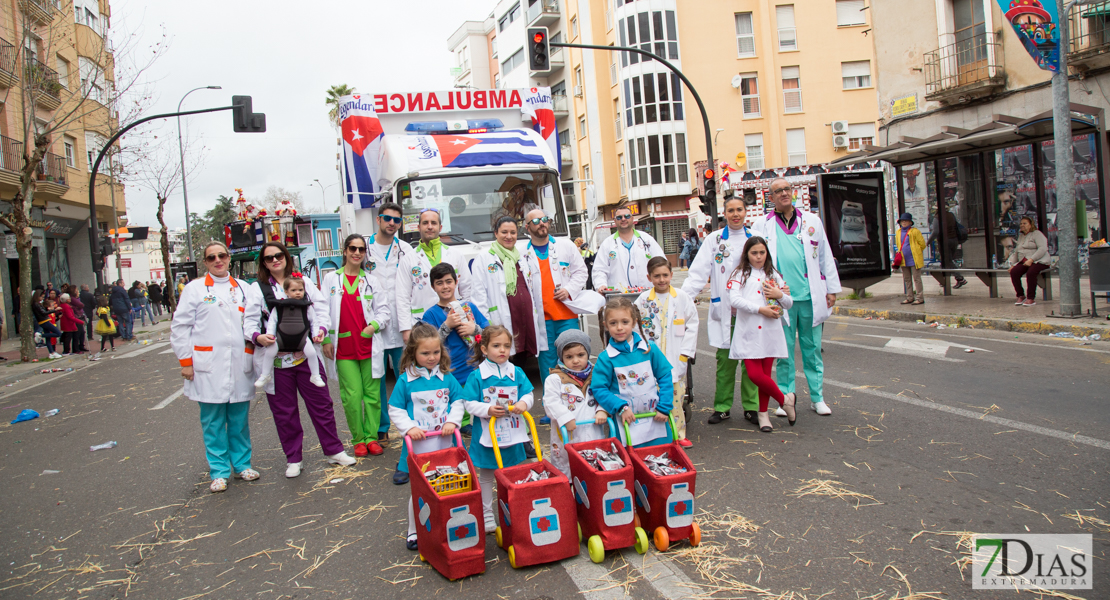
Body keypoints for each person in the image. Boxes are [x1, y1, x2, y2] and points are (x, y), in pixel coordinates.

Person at [246, 241, 354, 478]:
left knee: (322, 404)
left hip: (306, 356)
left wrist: (322, 330)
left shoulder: (302, 282)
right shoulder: (258, 289)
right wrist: (257, 336)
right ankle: (293, 458)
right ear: (263, 263)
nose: (275, 260)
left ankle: (334, 450)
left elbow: (321, 309)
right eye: (268, 258)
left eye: (278, 255)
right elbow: (250, 321)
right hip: (277, 360)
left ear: (286, 256)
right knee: (285, 411)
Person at [170, 241, 259, 494]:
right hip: (207, 367)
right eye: (212, 258)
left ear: (229, 258)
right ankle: (219, 471)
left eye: (222, 255)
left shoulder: (244, 288)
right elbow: (180, 328)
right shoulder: (195, 289)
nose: (218, 260)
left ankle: (242, 465)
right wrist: (186, 362)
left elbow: (254, 322)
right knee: (212, 422)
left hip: (240, 365)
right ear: (206, 262)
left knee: (239, 420)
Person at [752, 178, 842, 417]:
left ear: (793, 193)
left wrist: (831, 290)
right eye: (778, 191)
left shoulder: (811, 221)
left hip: (810, 295)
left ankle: (817, 397)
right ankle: (786, 396)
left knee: (812, 349)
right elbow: (756, 260)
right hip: (780, 298)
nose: (784, 193)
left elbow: (824, 255)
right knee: (784, 351)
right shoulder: (761, 225)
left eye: (787, 189)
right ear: (770, 198)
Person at [387, 321, 466, 551]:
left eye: (435, 352)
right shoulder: (406, 380)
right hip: (419, 446)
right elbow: (396, 408)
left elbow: (458, 401)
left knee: (447, 485)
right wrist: (409, 428)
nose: (431, 357)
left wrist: (452, 420)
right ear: (413, 352)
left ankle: (447, 525)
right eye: (425, 353)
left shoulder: (446, 378)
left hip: (444, 442)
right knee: (420, 491)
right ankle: (414, 530)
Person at [681, 195, 759, 425]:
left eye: (740, 210)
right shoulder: (714, 240)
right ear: (724, 213)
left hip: (752, 309)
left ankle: (752, 407)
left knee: (751, 361)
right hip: (726, 309)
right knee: (725, 361)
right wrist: (682, 300)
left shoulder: (755, 239)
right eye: (731, 210)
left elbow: (767, 269)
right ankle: (722, 406)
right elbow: (698, 272)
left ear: (746, 212)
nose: (736, 214)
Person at [321, 235, 391, 459]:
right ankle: (358, 439)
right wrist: (325, 339)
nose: (357, 253)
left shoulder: (371, 280)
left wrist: (373, 326)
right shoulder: (332, 279)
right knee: (352, 395)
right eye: (353, 248)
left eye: (361, 249)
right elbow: (321, 311)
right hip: (343, 347)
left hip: (368, 345)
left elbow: (384, 311)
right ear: (345, 251)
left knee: (372, 395)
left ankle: (371, 438)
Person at [462, 325, 535, 533]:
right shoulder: (477, 376)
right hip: (488, 434)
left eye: (506, 346)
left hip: (513, 432)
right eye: (496, 346)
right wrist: (487, 409)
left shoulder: (516, 372)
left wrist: (524, 403)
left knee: (512, 473)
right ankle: (486, 515)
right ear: (484, 349)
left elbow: (529, 394)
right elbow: (468, 403)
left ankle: (513, 510)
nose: (502, 350)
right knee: (486, 475)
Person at [726, 236, 797, 432]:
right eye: (754, 253)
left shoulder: (773, 274)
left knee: (766, 374)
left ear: (767, 253)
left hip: (770, 331)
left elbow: (789, 303)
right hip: (748, 331)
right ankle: (785, 400)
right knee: (755, 374)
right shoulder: (740, 274)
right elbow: (735, 300)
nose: (758, 257)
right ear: (746, 254)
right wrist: (760, 309)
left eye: (762, 252)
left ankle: (764, 414)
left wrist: (779, 295)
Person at [520, 208, 589, 394]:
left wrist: (568, 290)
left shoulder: (565, 246)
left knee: (573, 357)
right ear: (527, 227)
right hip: (542, 318)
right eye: (535, 221)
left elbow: (581, 272)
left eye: (544, 219)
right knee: (547, 361)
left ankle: (577, 399)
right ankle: (551, 404)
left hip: (566, 314)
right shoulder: (521, 253)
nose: (541, 223)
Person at [591, 296, 674, 448]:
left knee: (661, 456)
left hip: (655, 417)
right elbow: (599, 388)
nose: (619, 328)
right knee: (630, 461)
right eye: (613, 323)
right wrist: (621, 407)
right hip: (625, 422)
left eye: (625, 322)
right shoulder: (605, 358)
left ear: (634, 322)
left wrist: (665, 406)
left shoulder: (649, 349)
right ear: (606, 326)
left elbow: (665, 376)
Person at [635, 257, 698, 447]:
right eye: (657, 276)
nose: (661, 280)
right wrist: (641, 347)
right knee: (652, 398)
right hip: (651, 357)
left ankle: (679, 434)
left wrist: (685, 352)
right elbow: (636, 326)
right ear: (649, 277)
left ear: (671, 275)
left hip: (675, 355)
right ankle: (655, 436)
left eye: (665, 275)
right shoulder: (643, 300)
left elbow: (693, 325)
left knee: (676, 398)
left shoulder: (682, 297)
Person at [367, 202, 415, 445]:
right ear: (378, 220)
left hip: (400, 323)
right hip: (372, 323)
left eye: (397, 220)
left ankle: (409, 425)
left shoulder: (406, 249)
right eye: (387, 218)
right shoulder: (363, 248)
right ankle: (381, 427)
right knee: (375, 379)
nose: (392, 223)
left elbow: (416, 284)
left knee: (404, 377)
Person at [396, 208, 472, 343]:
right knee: (427, 360)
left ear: (440, 227)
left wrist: (469, 318)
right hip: (421, 321)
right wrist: (406, 329)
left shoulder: (455, 255)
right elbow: (402, 297)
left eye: (433, 223)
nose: (429, 226)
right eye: (425, 223)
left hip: (455, 319)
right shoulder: (408, 259)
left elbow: (467, 289)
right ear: (418, 227)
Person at [471, 215, 540, 360]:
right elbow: (478, 295)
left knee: (521, 358)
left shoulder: (521, 258)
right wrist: (485, 325)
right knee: (501, 359)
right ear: (496, 233)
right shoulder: (484, 258)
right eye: (504, 232)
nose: (509, 236)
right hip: (500, 319)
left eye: (513, 232)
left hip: (524, 320)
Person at [543, 329, 607, 478]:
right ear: (561, 357)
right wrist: (565, 418)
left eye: (580, 355)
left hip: (593, 433)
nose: (576, 360)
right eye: (569, 357)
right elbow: (550, 402)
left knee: (594, 475)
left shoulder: (596, 375)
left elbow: (605, 393)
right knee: (570, 474)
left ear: (588, 354)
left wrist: (602, 410)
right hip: (568, 435)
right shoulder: (554, 379)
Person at [420, 263, 488, 389]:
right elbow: (426, 346)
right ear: (433, 287)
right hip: (447, 375)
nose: (445, 287)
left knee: (475, 407)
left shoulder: (469, 307)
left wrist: (475, 330)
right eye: (439, 283)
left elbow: (491, 336)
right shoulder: (430, 315)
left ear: (456, 282)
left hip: (475, 373)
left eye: (448, 281)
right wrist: (446, 326)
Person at [253, 276, 326, 390]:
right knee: (270, 352)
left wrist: (315, 334)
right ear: (286, 291)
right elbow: (273, 321)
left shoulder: (307, 307)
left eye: (300, 290)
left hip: (302, 337)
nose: (298, 293)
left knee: (311, 353)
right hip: (281, 337)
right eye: (294, 290)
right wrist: (270, 334)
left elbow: (314, 322)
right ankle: (265, 374)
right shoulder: (280, 306)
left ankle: (315, 375)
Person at [591, 203, 665, 290]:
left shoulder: (647, 239)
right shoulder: (607, 244)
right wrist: (601, 285)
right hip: (618, 295)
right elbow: (599, 270)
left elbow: (661, 264)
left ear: (632, 218)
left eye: (627, 216)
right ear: (614, 221)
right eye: (619, 217)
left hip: (646, 292)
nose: (623, 219)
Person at [1008, 216, 1050, 307]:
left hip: (1039, 260)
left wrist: (1032, 259)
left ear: (1031, 225)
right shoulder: (1021, 236)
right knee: (1014, 272)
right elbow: (1017, 251)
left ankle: (1030, 298)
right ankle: (1020, 295)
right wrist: (1013, 264)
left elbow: (1043, 248)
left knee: (1031, 273)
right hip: (1024, 261)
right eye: (1021, 223)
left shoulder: (1037, 234)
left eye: (1025, 223)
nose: (1022, 225)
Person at [928, 208, 968, 289]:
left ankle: (960, 278)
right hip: (954, 240)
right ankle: (944, 280)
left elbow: (935, 231)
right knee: (946, 261)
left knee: (948, 261)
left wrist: (928, 241)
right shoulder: (950, 215)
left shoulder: (937, 217)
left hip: (945, 242)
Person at [896, 213, 927, 305]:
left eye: (906, 221)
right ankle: (909, 297)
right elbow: (898, 245)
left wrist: (916, 251)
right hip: (903, 259)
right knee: (907, 279)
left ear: (910, 222)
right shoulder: (898, 232)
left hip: (914, 259)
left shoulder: (915, 231)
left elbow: (923, 244)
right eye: (902, 221)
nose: (904, 222)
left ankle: (920, 298)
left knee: (917, 279)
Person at [31, 290, 62, 359]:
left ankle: (51, 353)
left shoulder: (37, 304)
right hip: (44, 321)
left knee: (48, 338)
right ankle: (40, 335)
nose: (42, 298)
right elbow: (43, 313)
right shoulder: (36, 304)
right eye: (41, 297)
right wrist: (55, 310)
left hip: (43, 320)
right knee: (58, 333)